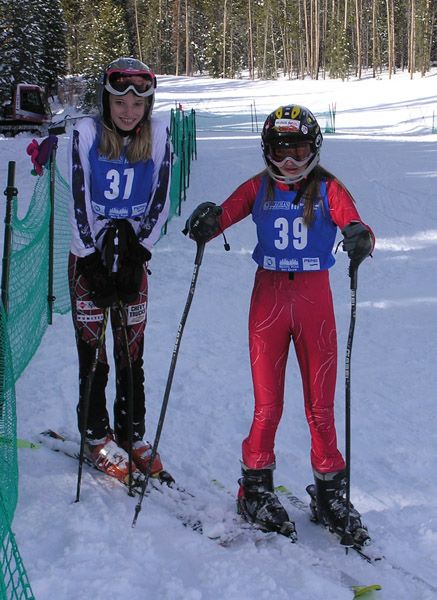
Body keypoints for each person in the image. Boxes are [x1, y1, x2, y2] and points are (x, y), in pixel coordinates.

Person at [185, 104, 374, 543]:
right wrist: (207, 222)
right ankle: (254, 488)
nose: (289, 161)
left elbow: (356, 223)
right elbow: (224, 215)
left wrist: (361, 237)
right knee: (268, 406)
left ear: (314, 150)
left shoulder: (329, 188)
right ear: (267, 150)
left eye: (299, 150)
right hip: (269, 300)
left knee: (321, 409)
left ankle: (329, 493)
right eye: (280, 150)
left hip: (314, 301)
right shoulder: (260, 188)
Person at [68, 57, 171, 483]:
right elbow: (77, 199)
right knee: (92, 353)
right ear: (106, 100)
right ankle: (95, 434)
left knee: (132, 349)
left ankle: (132, 433)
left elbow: (161, 195)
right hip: (89, 257)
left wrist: (139, 252)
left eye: (137, 103)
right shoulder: (87, 134)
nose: (128, 111)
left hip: (130, 257)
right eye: (120, 101)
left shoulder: (158, 136)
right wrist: (90, 259)